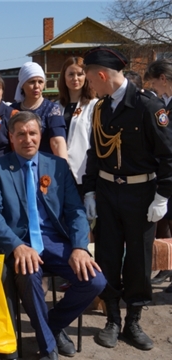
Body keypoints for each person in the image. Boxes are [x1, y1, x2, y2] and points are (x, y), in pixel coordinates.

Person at [0, 111, 106, 360]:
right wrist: (16, 245)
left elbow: (75, 211)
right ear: (11, 137)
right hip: (20, 241)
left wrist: (80, 247)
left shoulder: (57, 166)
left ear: (41, 135)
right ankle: (48, 347)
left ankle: (50, 325)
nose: (28, 139)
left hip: (54, 240)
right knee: (27, 275)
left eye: (33, 133)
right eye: (21, 134)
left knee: (95, 281)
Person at [83, 47, 172, 351]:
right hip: (108, 193)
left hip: (141, 195)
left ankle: (133, 320)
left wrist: (163, 195)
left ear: (103, 75)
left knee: (138, 259)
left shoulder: (148, 106)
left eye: (91, 78)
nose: (89, 85)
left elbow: (168, 155)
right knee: (107, 255)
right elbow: (95, 152)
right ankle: (112, 319)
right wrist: (90, 190)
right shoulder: (100, 108)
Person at [144, 59, 172, 288]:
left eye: (154, 82)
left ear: (163, 78)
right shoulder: (163, 103)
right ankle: (166, 266)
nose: (153, 87)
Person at [57, 57, 98, 197]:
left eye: (80, 74)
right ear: (64, 77)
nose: (75, 78)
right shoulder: (57, 106)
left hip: (84, 173)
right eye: (71, 74)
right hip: (59, 173)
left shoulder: (95, 105)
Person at [11, 62, 67, 159]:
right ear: (22, 85)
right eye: (32, 82)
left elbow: (57, 142)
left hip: (45, 166)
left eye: (40, 82)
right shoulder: (12, 110)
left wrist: (64, 168)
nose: (37, 86)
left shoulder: (52, 109)